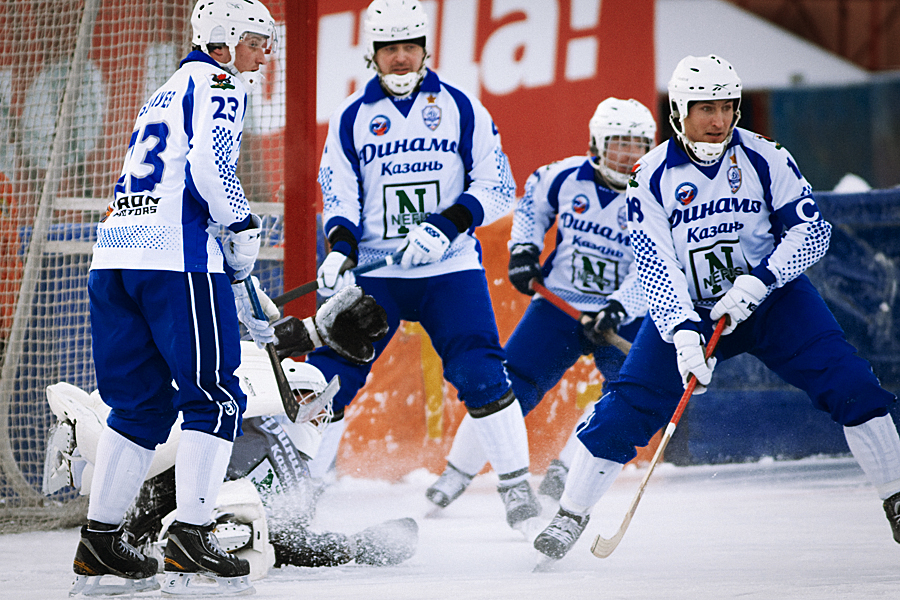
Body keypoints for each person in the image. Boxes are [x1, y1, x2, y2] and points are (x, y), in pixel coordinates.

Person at [531, 54, 900, 562]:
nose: (719, 119)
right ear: (681, 111)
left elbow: (811, 232)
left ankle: (896, 496)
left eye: (728, 106)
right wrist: (683, 333)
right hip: (693, 309)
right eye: (706, 107)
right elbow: (654, 263)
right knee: (626, 408)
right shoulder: (649, 176)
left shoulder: (766, 157)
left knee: (852, 383)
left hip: (773, 302)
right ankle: (570, 513)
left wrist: (760, 280)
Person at [306, 0, 537, 531]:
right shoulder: (350, 116)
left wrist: (446, 225)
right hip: (378, 273)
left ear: (425, 49)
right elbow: (338, 193)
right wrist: (340, 247)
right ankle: (300, 501)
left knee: (481, 370)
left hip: (448, 269)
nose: (401, 58)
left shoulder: (461, 106)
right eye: (390, 49)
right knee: (328, 379)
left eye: (410, 47)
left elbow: (497, 185)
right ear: (373, 54)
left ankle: (516, 492)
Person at [73, 1, 280, 596]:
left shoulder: (163, 89)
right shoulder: (220, 81)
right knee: (215, 396)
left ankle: (101, 541)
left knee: (137, 406)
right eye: (258, 41)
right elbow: (211, 171)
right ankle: (191, 532)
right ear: (225, 38)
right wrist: (242, 233)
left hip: (115, 258)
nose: (265, 55)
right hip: (174, 261)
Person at [424, 98, 655, 510]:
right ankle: (456, 473)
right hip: (559, 304)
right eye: (619, 143)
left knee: (628, 399)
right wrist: (524, 250)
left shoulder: (658, 193)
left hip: (624, 313)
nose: (628, 155)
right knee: (508, 387)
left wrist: (619, 307)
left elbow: (656, 262)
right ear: (597, 144)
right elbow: (531, 206)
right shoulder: (561, 177)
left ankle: (567, 472)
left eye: (638, 145)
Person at [44, 339, 417, 587]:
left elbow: (283, 542)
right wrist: (353, 545)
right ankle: (101, 451)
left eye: (320, 407)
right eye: (308, 399)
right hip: (171, 490)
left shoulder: (297, 467)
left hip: (193, 512)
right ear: (285, 390)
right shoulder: (259, 409)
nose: (317, 414)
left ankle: (106, 464)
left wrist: (353, 545)